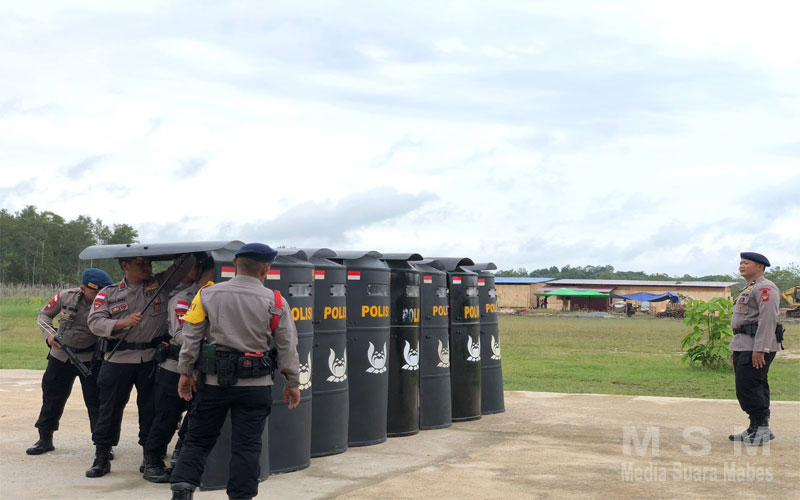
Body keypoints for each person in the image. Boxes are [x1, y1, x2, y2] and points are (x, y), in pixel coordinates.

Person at [169, 243, 301, 500]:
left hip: (213, 384)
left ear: (234, 264)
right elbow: (287, 345)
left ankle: (182, 489)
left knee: (197, 439)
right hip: (256, 387)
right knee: (247, 446)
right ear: (266, 269)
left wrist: (185, 373)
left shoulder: (206, 295)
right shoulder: (276, 301)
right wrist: (292, 382)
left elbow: (191, 338)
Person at [85, 254, 192, 478]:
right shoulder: (108, 293)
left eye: (149, 263)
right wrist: (122, 322)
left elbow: (183, 268)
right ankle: (102, 456)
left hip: (151, 359)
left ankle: (150, 457)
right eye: (141, 264)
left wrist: (187, 253)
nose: (147, 267)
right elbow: (95, 322)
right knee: (109, 409)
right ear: (125, 265)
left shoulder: (161, 284)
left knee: (151, 409)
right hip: (118, 359)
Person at [142, 255, 215, 483]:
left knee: (196, 417)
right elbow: (182, 335)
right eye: (212, 276)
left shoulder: (217, 300)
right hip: (174, 368)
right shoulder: (183, 300)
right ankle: (152, 462)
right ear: (201, 273)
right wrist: (214, 342)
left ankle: (181, 454)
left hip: (202, 370)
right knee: (166, 417)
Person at [27, 268, 113, 456]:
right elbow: (44, 315)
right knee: (52, 397)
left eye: (102, 292)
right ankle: (45, 439)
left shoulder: (109, 302)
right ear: (83, 288)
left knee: (96, 402)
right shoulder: (65, 296)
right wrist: (50, 335)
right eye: (95, 292)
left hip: (90, 359)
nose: (99, 296)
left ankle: (102, 445)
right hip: (61, 356)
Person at [728, 252, 781, 445]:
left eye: (746, 263)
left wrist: (761, 349)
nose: (741, 266)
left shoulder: (765, 288)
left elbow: (768, 320)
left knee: (750, 386)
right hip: (744, 344)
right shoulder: (749, 288)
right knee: (748, 386)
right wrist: (735, 349)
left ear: (760, 267)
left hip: (756, 346)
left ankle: (762, 429)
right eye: (741, 263)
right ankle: (755, 427)